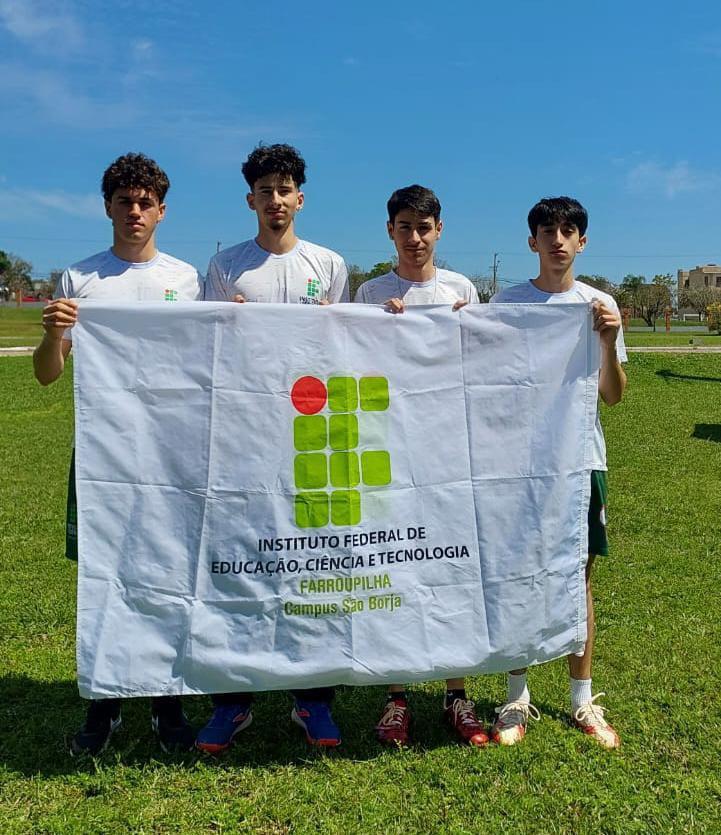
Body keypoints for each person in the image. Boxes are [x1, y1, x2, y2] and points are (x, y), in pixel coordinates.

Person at [33, 153, 204, 755]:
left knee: (170, 571)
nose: (135, 211)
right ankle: (104, 703)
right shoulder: (80, 278)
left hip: (171, 451)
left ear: (162, 211)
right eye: (124, 202)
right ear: (107, 207)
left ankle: (167, 702)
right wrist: (52, 333)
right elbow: (47, 374)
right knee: (104, 573)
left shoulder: (186, 280)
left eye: (145, 202)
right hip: (103, 452)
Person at [198, 143, 349, 753]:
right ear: (251, 200)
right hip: (245, 438)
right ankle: (232, 700)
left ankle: (313, 698)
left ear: (300, 199)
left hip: (309, 437)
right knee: (241, 563)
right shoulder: (227, 266)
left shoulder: (329, 264)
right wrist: (225, 321)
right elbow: (206, 349)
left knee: (312, 564)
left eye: (285, 190)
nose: (276, 200)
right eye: (266, 191)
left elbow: (347, 349)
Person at [489, 196, 626, 749]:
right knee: (519, 571)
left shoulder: (599, 305)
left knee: (578, 578)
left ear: (582, 242)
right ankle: (516, 695)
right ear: (533, 242)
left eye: (569, 231)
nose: (558, 240)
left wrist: (609, 341)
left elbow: (613, 396)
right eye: (548, 231)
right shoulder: (507, 302)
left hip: (581, 460)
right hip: (520, 466)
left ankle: (581, 698)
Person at [355, 184, 485, 747]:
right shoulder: (370, 292)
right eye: (404, 227)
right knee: (393, 564)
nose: (415, 237)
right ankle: (397, 696)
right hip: (389, 446)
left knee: (452, 564)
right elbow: (353, 361)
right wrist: (382, 329)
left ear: (439, 230)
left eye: (424, 227)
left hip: (448, 446)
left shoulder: (462, 290)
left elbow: (483, 363)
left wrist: (466, 327)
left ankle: (457, 693)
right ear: (390, 231)